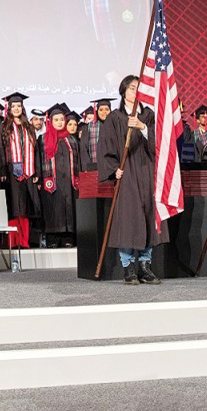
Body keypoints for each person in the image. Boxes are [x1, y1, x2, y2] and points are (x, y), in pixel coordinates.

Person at [98, 75, 162, 284]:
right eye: (132, 88)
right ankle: (128, 267)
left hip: (147, 171)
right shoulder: (114, 118)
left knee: (147, 217)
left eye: (139, 88)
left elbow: (159, 144)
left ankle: (145, 265)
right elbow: (106, 147)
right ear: (123, 91)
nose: (136, 92)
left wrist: (143, 128)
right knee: (128, 220)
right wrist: (113, 169)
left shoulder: (148, 115)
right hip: (126, 174)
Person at [0, 92, 42, 250]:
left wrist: (37, 173)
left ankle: (25, 241)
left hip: (28, 172)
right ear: (9, 108)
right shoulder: (4, 127)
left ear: (23, 108)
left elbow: (36, 151)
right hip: (11, 172)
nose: (16, 108)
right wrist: (2, 171)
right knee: (14, 207)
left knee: (26, 207)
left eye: (19, 106)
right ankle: (13, 241)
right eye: (13, 106)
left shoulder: (29, 127)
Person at [39, 103, 78, 249]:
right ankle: (53, 238)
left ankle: (68, 238)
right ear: (50, 122)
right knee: (53, 208)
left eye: (62, 119)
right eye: (56, 120)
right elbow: (38, 158)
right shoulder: (43, 139)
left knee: (68, 208)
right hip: (51, 181)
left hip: (69, 181)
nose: (60, 122)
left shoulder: (71, 140)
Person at [78, 98, 111, 172]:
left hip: (112, 167)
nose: (104, 112)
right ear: (97, 111)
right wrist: (86, 168)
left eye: (107, 109)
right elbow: (84, 149)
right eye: (101, 110)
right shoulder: (88, 127)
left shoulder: (114, 125)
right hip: (93, 167)